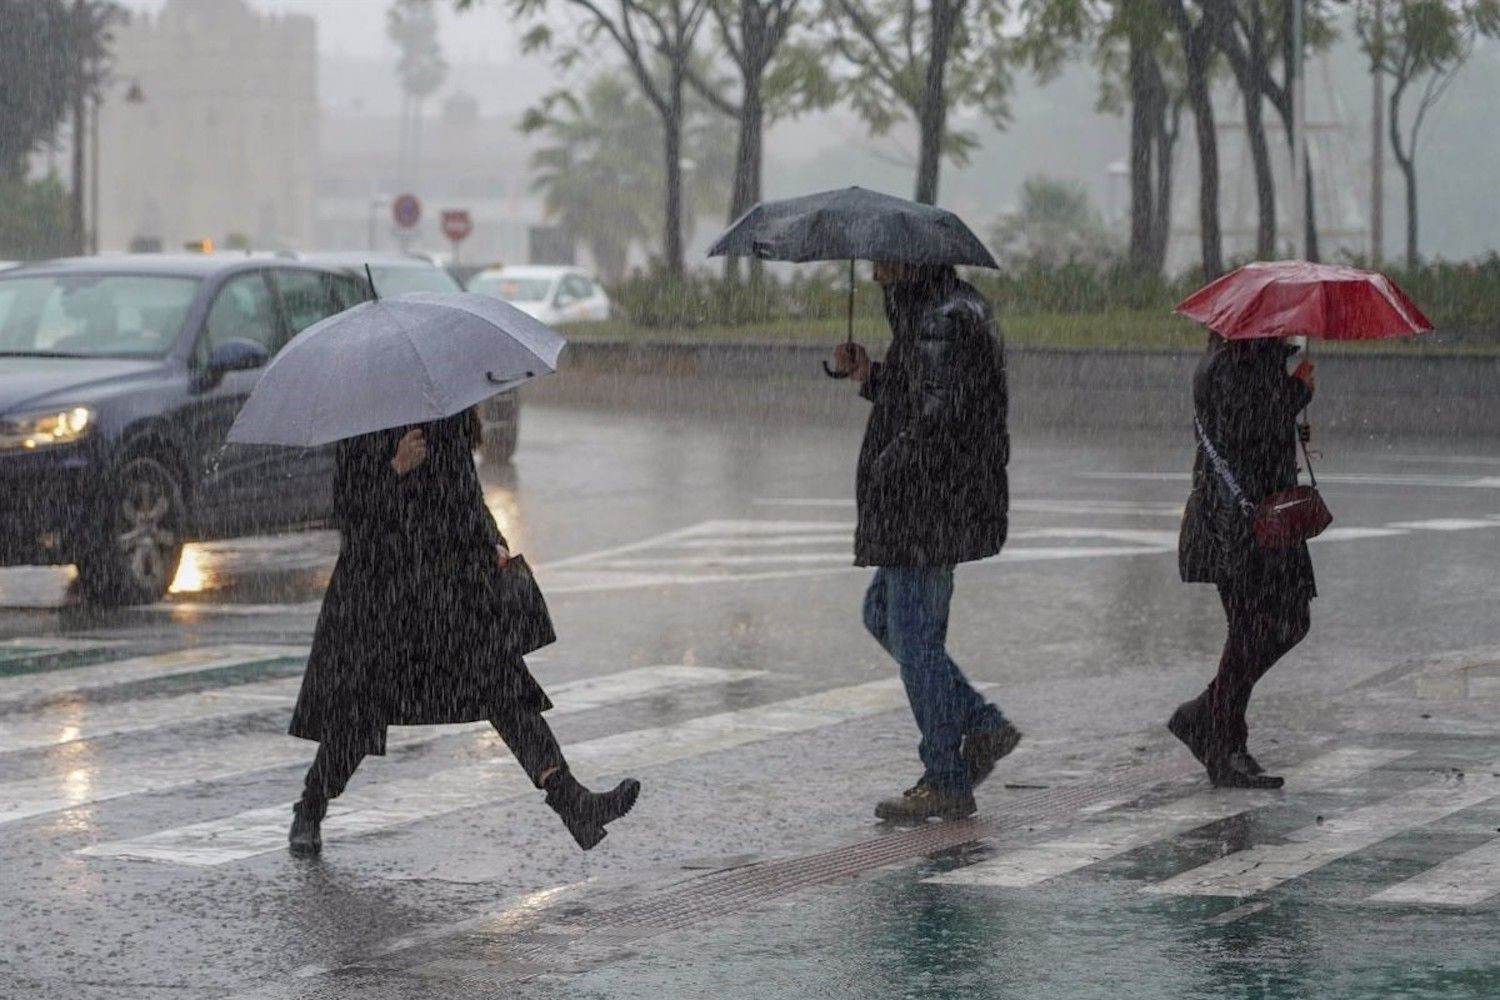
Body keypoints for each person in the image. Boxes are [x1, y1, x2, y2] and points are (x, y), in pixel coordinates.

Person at [286, 408, 639, 855]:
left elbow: (465, 494)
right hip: (382, 597)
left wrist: (492, 538)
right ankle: (311, 807)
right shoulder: (365, 420)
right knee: (358, 713)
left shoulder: (443, 411)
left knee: (505, 692)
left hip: (451, 589)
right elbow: (352, 519)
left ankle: (573, 803)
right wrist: (395, 469)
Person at [830, 261, 1022, 822]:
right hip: (934, 501)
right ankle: (980, 723)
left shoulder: (941, 318)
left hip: (926, 504)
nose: (871, 272)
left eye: (881, 260)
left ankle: (945, 776)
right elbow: (925, 394)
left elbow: (939, 416)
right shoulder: (936, 312)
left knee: (914, 637)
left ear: (910, 260)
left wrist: (890, 464)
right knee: (884, 614)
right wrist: (871, 375)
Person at [1171, 337, 1317, 789]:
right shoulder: (1229, 365)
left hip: (1266, 514)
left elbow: (1258, 429)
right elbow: (1243, 427)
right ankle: (1226, 745)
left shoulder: (1253, 362)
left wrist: (1290, 407)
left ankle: (1206, 718)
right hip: (1237, 519)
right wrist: (1295, 394)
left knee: (1289, 621)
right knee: (1251, 630)